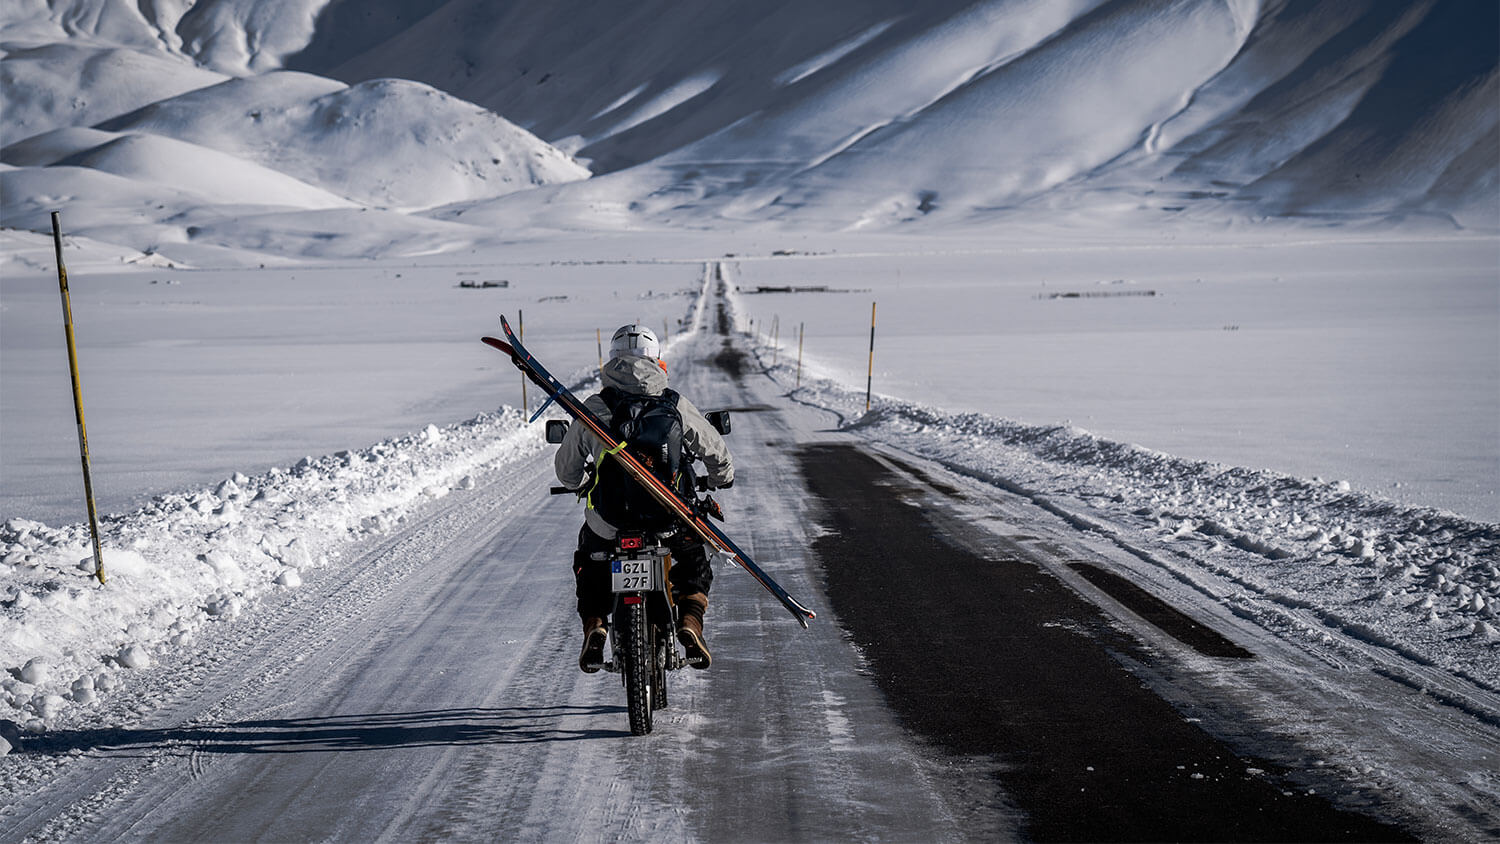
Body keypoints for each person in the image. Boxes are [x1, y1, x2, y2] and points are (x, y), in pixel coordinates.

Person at [554, 324, 733, 673]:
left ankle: (596, 625)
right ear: (657, 360)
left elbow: (566, 469)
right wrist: (719, 478)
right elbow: (716, 451)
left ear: (612, 360)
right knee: (694, 559)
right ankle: (690, 623)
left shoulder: (595, 407)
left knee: (589, 562)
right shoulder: (673, 403)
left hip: (610, 519)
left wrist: (578, 484)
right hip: (669, 516)